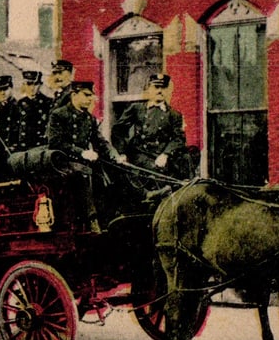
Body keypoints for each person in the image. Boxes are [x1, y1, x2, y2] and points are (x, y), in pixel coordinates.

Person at [45, 81, 126, 232]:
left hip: (83, 161)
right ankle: (92, 219)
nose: (91, 99)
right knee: (84, 174)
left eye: (92, 95)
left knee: (108, 175)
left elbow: (100, 141)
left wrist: (115, 155)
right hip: (62, 162)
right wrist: (81, 152)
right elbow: (56, 143)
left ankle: (109, 218)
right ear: (74, 95)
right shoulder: (59, 115)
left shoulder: (88, 118)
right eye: (86, 95)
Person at [112, 73, 186, 175]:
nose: (160, 91)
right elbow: (118, 130)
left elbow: (179, 138)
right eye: (156, 87)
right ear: (148, 89)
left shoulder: (174, 114)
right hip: (139, 155)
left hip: (160, 157)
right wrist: (121, 152)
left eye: (163, 88)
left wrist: (165, 154)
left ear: (168, 90)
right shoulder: (137, 108)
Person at [15, 70, 53, 151]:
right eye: (29, 84)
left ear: (40, 85)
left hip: (40, 147)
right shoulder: (19, 104)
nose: (32, 88)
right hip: (22, 147)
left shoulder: (48, 103)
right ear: (24, 85)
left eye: (36, 84)